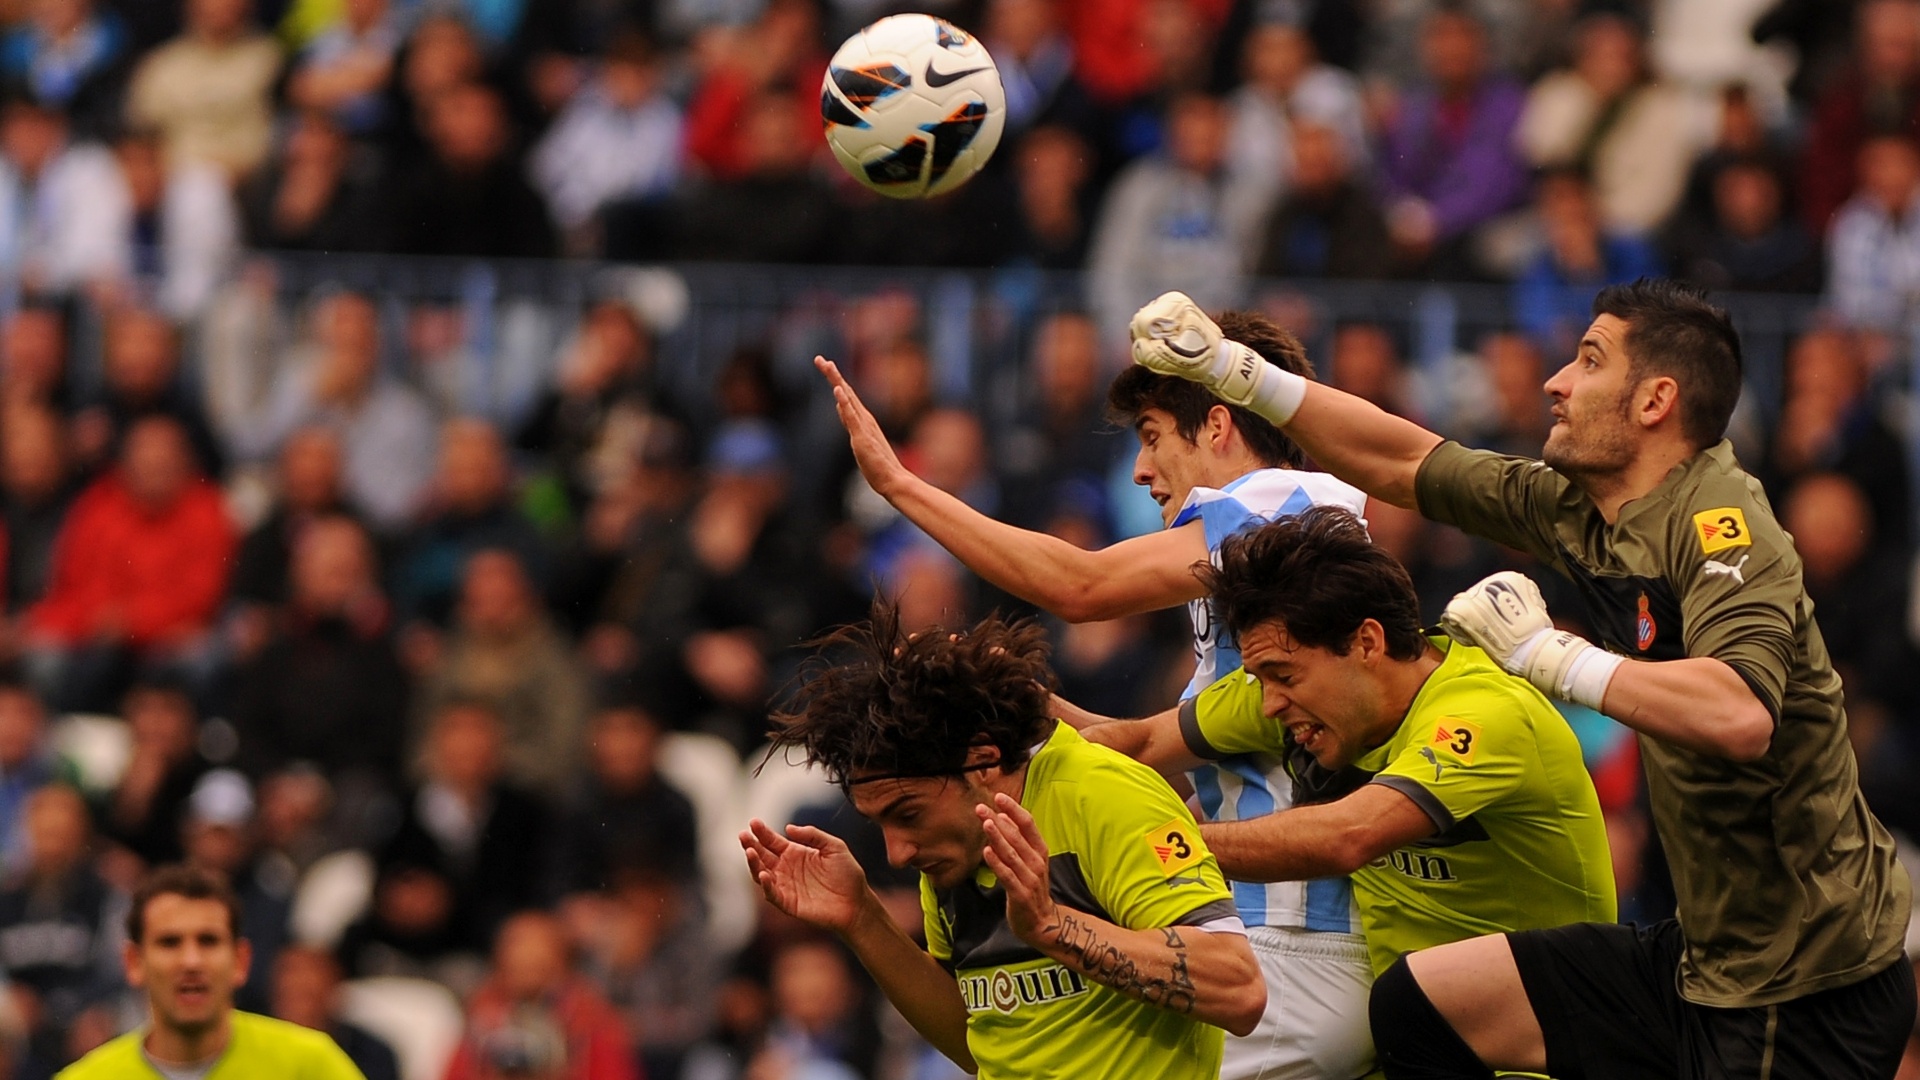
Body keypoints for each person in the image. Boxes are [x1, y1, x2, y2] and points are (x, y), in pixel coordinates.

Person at [1128, 280, 1915, 1078]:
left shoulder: (1723, 528)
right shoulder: (1583, 510)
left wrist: (1549, 656)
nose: (1556, 381)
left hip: (1806, 981)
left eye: (1590, 360)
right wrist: (1238, 373)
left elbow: (1741, 714)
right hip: (1703, 957)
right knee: (1419, 1005)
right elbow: (1405, 460)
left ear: (1656, 401)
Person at [817, 308, 1375, 1079]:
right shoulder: (1250, 586)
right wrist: (999, 698)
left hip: (1292, 944)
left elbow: (1081, 586)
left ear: (1218, 425)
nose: (1141, 470)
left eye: (1151, 435)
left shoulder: (1283, 508)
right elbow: (1133, 746)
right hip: (1283, 939)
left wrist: (902, 488)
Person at [1075, 506, 1615, 979]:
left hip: (1552, 1030)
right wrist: (1032, 726)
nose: (1268, 704)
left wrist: (1154, 843)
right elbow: (1141, 742)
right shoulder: (1300, 686)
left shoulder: (1484, 714)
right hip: (1416, 1028)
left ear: (1367, 643)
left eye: (1282, 677)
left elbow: (1348, 836)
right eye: (1262, 679)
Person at [738, 603, 1265, 1080]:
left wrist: (1056, 929)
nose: (898, 853)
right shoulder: (954, 846)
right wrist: (862, 918)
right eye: (880, 825)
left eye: (908, 815)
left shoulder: (1103, 793)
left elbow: (1239, 988)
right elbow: (977, 1042)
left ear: (983, 763)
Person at [55, 863, 364, 1079]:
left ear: (241, 961)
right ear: (134, 963)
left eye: (208, 941)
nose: (191, 961)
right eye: (169, 942)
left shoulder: (310, 1067)